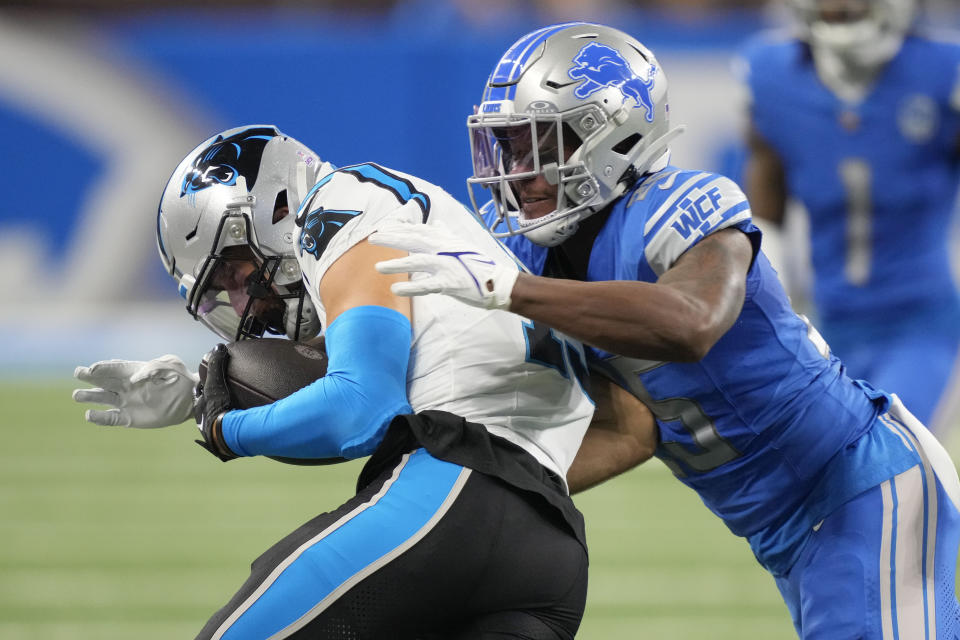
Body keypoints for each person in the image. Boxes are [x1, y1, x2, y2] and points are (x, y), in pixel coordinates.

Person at [368, 21, 960, 638]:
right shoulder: (539, 257)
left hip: (857, 483)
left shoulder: (677, 208)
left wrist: (514, 292)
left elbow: (692, 324)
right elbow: (634, 426)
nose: (522, 172)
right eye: (511, 148)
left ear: (613, 138)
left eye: (543, 145)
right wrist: (477, 496)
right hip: (790, 527)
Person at [72, 123, 649, 639]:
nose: (245, 302)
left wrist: (224, 428)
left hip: (449, 503)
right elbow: (633, 429)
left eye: (234, 270)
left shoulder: (337, 204)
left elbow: (359, 406)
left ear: (271, 206)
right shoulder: (420, 223)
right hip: (551, 556)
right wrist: (200, 392)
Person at [739, 0, 960, 435]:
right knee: (817, 474)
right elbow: (767, 218)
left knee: (892, 448)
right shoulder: (772, 74)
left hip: (919, 325)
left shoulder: (941, 72)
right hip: (826, 328)